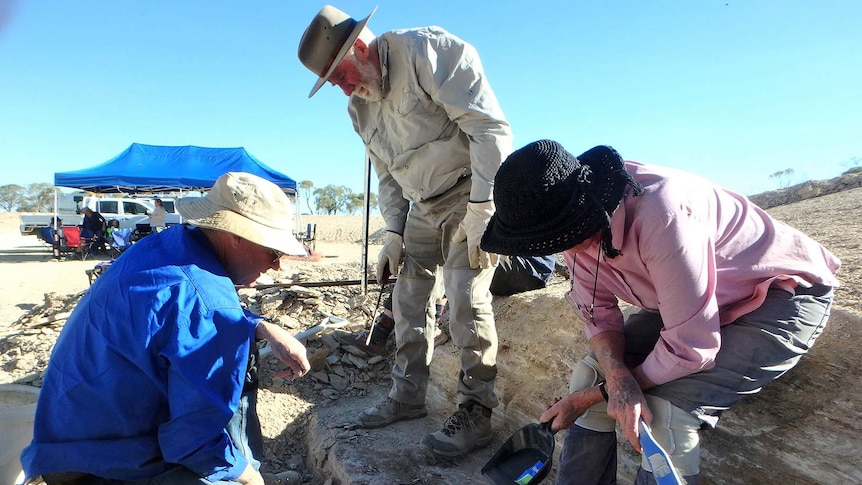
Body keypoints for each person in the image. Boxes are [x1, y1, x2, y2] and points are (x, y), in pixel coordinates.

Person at [480, 140, 841, 484]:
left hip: (778, 293)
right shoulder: (575, 227)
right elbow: (599, 313)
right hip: (691, 300)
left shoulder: (662, 215)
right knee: (589, 376)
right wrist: (613, 381)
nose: (558, 250)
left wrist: (604, 394)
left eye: (557, 237)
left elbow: (691, 347)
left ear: (585, 210)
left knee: (666, 414)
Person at [298, 5, 513, 456]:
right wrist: (393, 231)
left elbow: (489, 130)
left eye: (339, 76)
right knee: (407, 299)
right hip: (422, 207)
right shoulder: (360, 108)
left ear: (359, 46)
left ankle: (476, 412)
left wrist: (482, 208)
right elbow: (388, 175)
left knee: (465, 299)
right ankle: (408, 396)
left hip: (470, 192)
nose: (343, 90)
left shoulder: (428, 51)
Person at [22, 172, 311, 484]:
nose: (276, 265)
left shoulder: (166, 247)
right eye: (273, 252)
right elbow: (191, 443)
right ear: (236, 236)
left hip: (65, 445)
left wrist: (260, 326)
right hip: (104, 465)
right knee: (230, 471)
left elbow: (182, 311)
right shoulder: (206, 301)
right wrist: (250, 478)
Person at [335, 255, 558, 356]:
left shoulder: (490, 183)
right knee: (426, 257)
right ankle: (382, 331)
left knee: (445, 254)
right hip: (518, 262)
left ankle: (423, 328)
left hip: (527, 267)